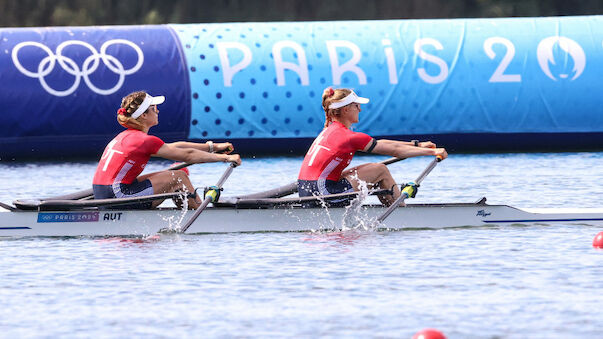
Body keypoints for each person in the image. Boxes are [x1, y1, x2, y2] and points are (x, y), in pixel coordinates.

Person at [298, 87, 448, 207]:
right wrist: (432, 152)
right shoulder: (349, 137)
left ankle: (395, 205)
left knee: (371, 168)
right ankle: (402, 212)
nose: (360, 110)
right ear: (346, 110)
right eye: (357, 106)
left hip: (307, 191)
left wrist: (418, 145)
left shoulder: (328, 132)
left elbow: (380, 143)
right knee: (380, 170)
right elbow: (395, 151)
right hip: (324, 193)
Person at [92, 91, 241, 209]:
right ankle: (202, 215)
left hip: (102, 193)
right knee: (179, 177)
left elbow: (174, 147)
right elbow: (188, 155)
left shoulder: (126, 136)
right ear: (144, 115)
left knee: (172, 174)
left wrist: (212, 147)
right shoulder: (143, 140)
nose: (157, 111)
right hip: (118, 195)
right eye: (154, 108)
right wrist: (226, 158)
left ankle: (188, 210)